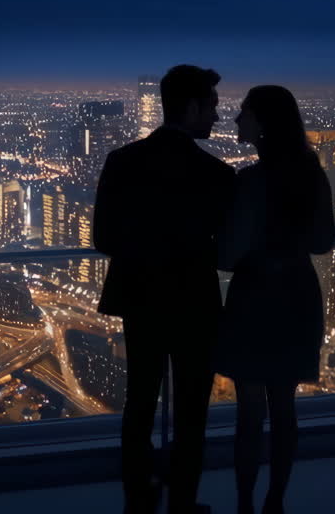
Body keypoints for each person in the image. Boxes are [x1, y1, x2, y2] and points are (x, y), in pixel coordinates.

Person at [93, 64, 237, 514]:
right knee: (192, 410)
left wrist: (147, 251)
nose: (216, 116)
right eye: (212, 106)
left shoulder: (122, 161)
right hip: (194, 302)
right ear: (191, 106)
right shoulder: (217, 175)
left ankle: (137, 500)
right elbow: (229, 251)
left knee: (139, 403)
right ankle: (182, 503)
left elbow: (104, 239)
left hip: (141, 298)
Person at [215, 85, 335, 514]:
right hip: (298, 295)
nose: (235, 120)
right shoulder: (311, 172)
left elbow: (227, 256)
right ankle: (275, 503)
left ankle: (245, 503)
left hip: (255, 299)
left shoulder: (250, 181)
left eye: (244, 112)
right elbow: (323, 241)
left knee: (250, 413)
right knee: (284, 409)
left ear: (263, 122)